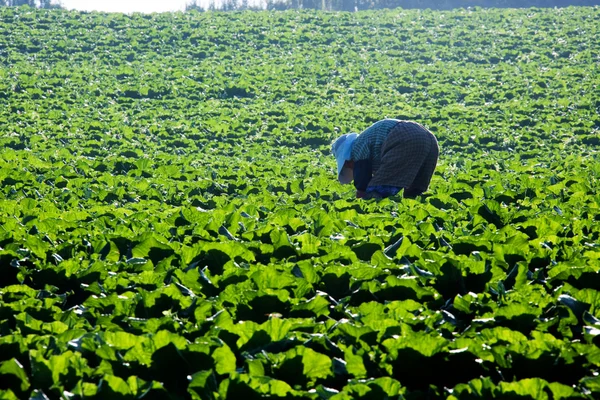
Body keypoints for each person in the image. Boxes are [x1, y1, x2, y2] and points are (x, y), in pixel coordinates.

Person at [331, 119, 439, 199]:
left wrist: (361, 196)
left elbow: (362, 175)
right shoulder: (368, 139)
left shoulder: (357, 146)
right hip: (430, 139)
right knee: (414, 192)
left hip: (404, 138)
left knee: (375, 194)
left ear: (348, 161)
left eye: (348, 166)